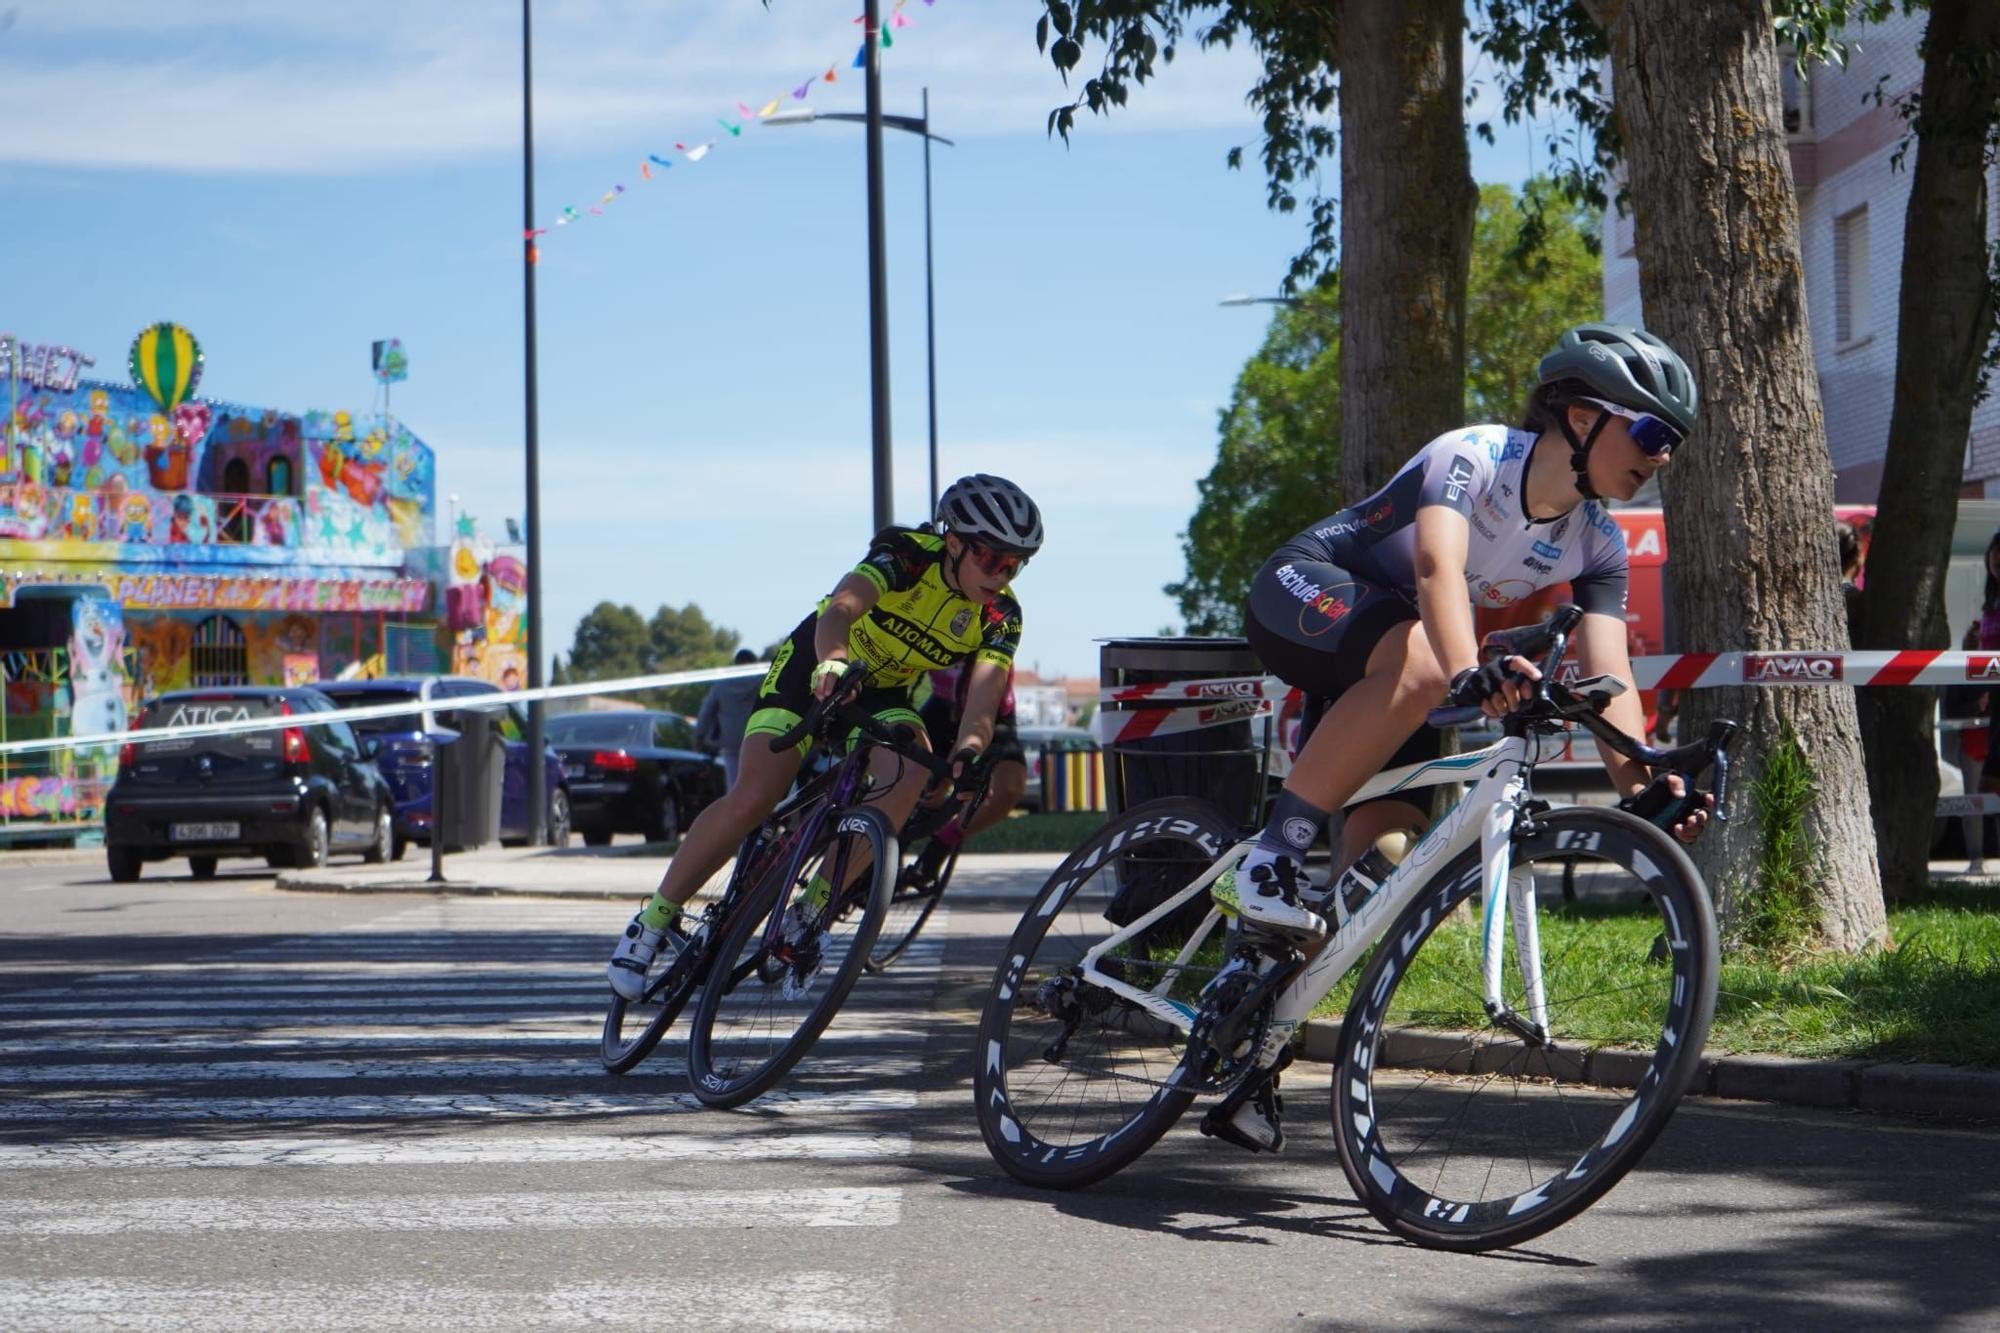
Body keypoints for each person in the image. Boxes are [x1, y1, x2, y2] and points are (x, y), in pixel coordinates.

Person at [1214, 322, 1714, 1152]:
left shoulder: (1597, 541)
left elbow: (1610, 679)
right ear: (1583, 415)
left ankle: (1255, 1050)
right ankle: (1272, 854)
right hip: (1310, 589)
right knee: (1415, 661)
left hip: (1400, 670)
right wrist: (1464, 672)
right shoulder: (1475, 455)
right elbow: (1438, 573)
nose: (1661, 456)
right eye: (1653, 432)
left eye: (1674, 444)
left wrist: (1647, 787)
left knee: (1374, 885)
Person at [606, 474, 1043, 998]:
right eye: (992, 559)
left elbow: (982, 700)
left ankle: (811, 912)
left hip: (885, 694)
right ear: (953, 543)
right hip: (817, 664)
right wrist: (833, 663)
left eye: (1015, 564)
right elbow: (840, 609)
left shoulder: (1001, 615)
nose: (1002, 574)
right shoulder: (907, 556)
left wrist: (971, 753)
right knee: (754, 798)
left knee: (908, 773)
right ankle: (651, 923)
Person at [906, 661, 1030, 884]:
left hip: (991, 713)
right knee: (906, 769)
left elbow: (976, 721)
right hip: (943, 707)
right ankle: (881, 849)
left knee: (1009, 789)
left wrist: (947, 776)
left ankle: (939, 847)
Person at [695, 648, 764, 791]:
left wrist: (699, 737)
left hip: (730, 743)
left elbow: (706, 713)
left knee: (734, 786)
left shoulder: (721, 685)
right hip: (756, 740)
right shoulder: (762, 683)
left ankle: (737, 811)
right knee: (756, 785)